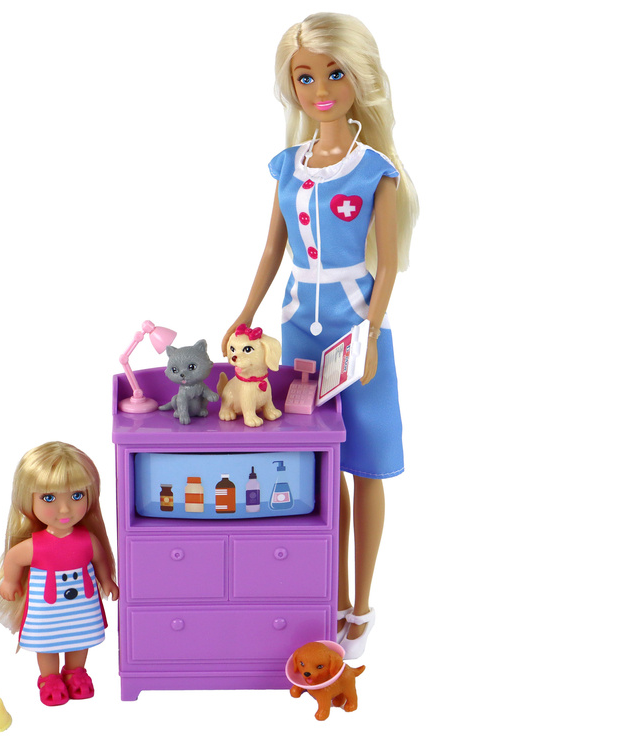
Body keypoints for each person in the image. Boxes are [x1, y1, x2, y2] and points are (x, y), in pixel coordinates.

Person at [222, 12, 418, 659]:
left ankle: (362, 604)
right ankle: (327, 595)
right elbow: (271, 249)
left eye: (335, 74)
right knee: (318, 466)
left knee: (365, 465)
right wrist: (245, 312)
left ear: (360, 77)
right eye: (304, 77)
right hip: (298, 332)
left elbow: (388, 264)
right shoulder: (288, 166)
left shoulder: (374, 171)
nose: (321, 90)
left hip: (356, 329)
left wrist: (372, 332)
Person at [0, 442, 119, 705]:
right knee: (47, 642)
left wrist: (106, 580)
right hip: (47, 607)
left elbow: (100, 559)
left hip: (82, 604)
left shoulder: (87, 539)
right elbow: (13, 558)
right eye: (49, 498)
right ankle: (49, 678)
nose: (65, 509)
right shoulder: (35, 545)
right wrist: (10, 581)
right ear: (27, 500)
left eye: (77, 495)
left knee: (80, 637)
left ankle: (76, 672)